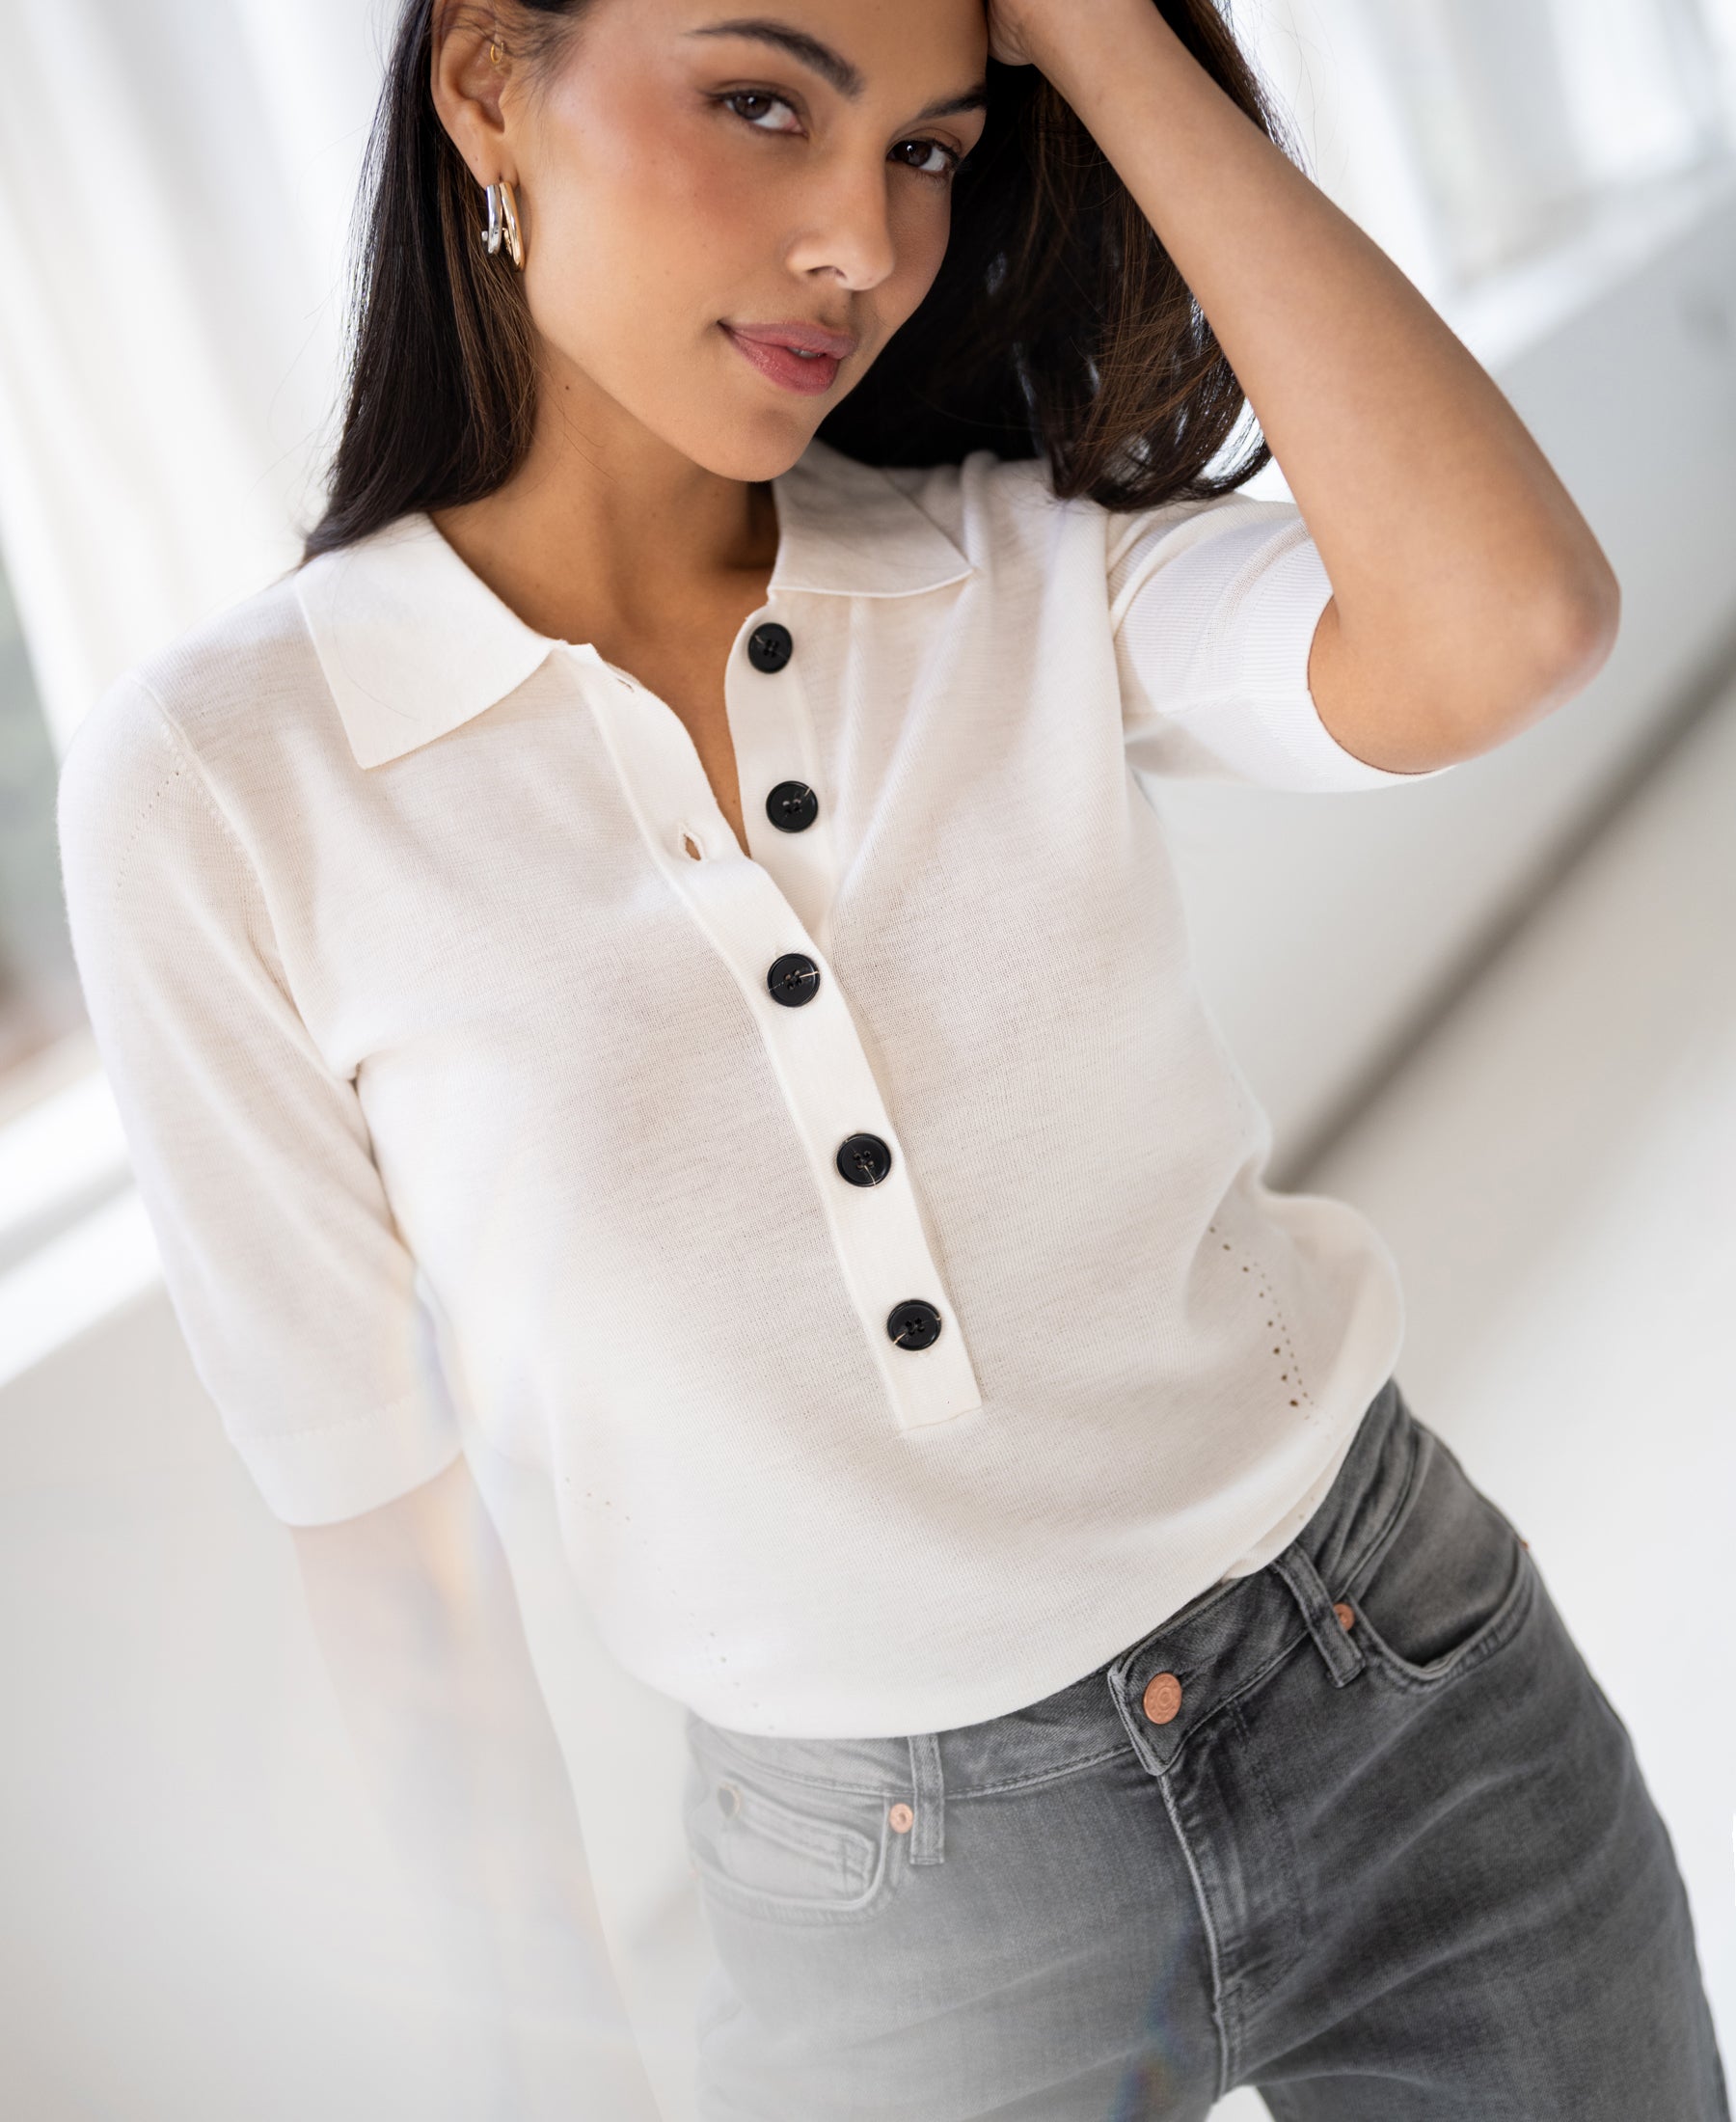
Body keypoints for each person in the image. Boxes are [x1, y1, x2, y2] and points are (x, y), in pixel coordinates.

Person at [54, 0, 1728, 2116]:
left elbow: (1510, 622)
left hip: (1403, 1689)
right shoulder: (224, 781)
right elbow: (394, 1571)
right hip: (891, 1923)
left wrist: (1103, 37)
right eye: (763, 103)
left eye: (931, 148)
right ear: (486, 83)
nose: (863, 241)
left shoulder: (1012, 562)